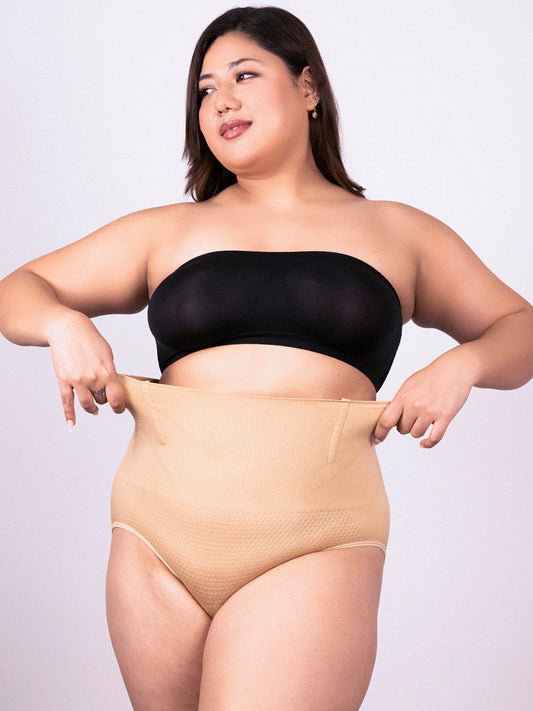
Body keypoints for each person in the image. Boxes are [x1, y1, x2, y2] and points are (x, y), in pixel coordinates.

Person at [0, 5, 532, 710]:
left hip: (313, 537)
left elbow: (520, 327)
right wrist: (63, 324)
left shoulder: (398, 232)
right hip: (155, 535)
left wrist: (460, 366)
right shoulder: (167, 231)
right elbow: (17, 290)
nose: (221, 100)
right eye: (205, 89)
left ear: (307, 87)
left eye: (244, 75)